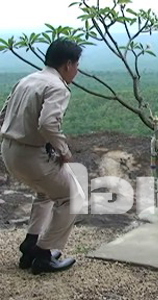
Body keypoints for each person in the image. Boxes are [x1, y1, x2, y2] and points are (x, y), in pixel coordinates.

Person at [0, 38, 82, 275]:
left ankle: (31, 244)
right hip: (32, 155)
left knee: (45, 193)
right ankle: (44, 254)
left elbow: (3, 114)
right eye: (76, 65)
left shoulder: (27, 80)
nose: (76, 71)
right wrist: (63, 151)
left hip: (9, 150)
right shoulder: (57, 87)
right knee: (72, 197)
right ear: (68, 65)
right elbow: (48, 123)